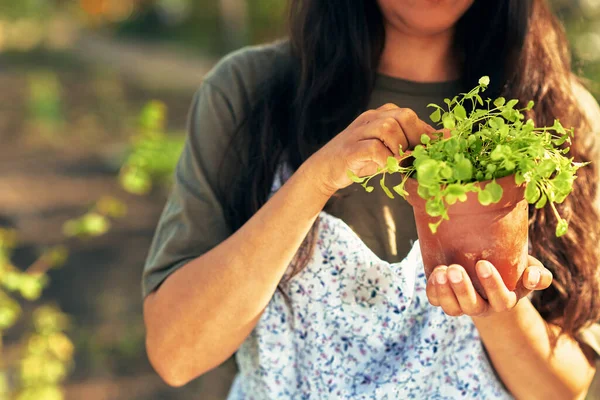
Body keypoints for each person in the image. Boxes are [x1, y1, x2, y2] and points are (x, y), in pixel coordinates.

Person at [142, 0, 600, 398]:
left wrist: (500, 307)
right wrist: (316, 180)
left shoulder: (560, 116)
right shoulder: (249, 91)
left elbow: (561, 389)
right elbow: (176, 354)